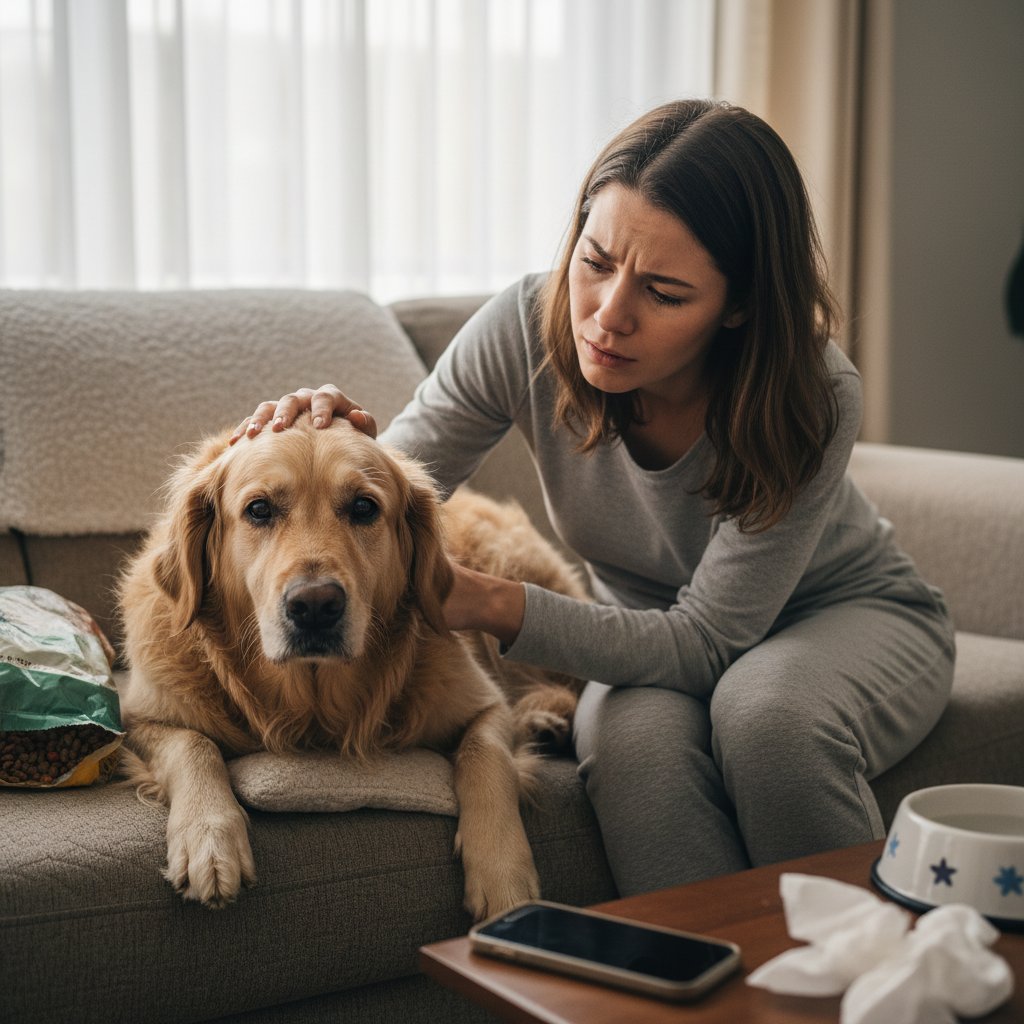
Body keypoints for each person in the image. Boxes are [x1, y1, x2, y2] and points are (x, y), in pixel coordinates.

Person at [230, 99, 955, 896]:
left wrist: (495, 603)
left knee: (765, 719)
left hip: (843, 614)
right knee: (637, 758)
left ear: (740, 306)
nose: (606, 317)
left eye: (665, 292)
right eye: (596, 259)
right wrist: (338, 441)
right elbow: (393, 493)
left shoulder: (812, 390)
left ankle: (875, 985)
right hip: (643, 630)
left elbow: (710, 643)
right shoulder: (524, 326)